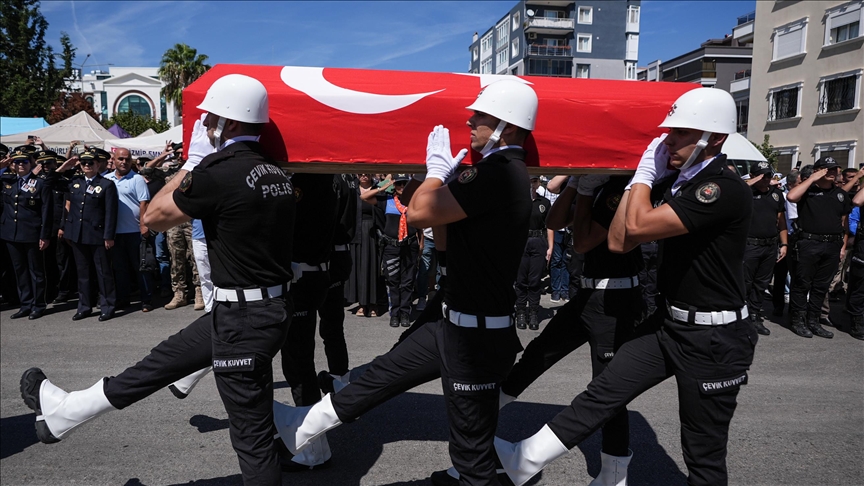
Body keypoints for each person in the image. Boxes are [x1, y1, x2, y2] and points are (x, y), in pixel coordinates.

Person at [20, 74, 296, 486]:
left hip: (243, 320)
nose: (205, 127)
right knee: (161, 363)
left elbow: (152, 218)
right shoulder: (276, 172)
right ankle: (67, 412)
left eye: (211, 120)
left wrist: (191, 165)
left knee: (252, 439)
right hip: (254, 309)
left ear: (232, 124)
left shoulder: (217, 171)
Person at [273, 79, 537, 486]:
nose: (470, 120)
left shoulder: (499, 173)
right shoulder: (492, 173)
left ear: (509, 126)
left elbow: (417, 215)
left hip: (475, 338)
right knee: (381, 376)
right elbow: (444, 233)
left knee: (472, 455)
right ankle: (304, 425)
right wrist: (441, 181)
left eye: (480, 116)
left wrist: (434, 175)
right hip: (453, 322)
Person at [493, 87, 756, 486]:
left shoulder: (720, 187)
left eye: (682, 133)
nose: (669, 140)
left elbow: (634, 228)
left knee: (703, 456)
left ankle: (538, 460)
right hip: (670, 325)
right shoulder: (680, 183)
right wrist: (637, 183)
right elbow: (619, 240)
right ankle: (525, 459)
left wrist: (644, 178)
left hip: (714, 338)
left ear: (715, 138)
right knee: (604, 392)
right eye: (671, 132)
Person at [785, 157, 850, 339]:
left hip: (832, 244)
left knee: (821, 286)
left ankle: (813, 321)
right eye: (827, 169)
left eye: (835, 169)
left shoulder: (840, 194)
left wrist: (842, 247)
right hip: (809, 243)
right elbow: (791, 196)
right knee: (802, 283)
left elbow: (843, 223)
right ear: (817, 170)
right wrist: (812, 179)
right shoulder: (808, 190)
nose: (832, 172)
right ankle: (798, 320)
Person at [55, 149, 119, 321]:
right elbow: (50, 183)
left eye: (91, 163)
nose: (87, 165)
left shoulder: (106, 184)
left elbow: (111, 213)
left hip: (98, 234)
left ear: (98, 165)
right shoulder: (74, 182)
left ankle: (107, 306)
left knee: (103, 272)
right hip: (78, 234)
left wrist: (108, 236)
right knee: (83, 273)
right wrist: (63, 169)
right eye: (84, 163)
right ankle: (84, 306)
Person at [360, 173, 421, 327]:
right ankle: (395, 314)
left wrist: (422, 244)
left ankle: (405, 313)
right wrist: (385, 186)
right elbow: (365, 197)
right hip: (392, 246)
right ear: (395, 185)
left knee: (407, 282)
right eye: (399, 184)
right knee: (393, 281)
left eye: (404, 184)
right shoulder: (386, 200)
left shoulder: (414, 201)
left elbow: (420, 224)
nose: (401, 187)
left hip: (410, 245)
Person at [0, 147, 53, 319]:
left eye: (24, 161)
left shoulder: (40, 183)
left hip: (32, 233)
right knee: (19, 270)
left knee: (36, 271)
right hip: (11, 233)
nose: (20, 165)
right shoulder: (7, 180)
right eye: (17, 162)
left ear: (30, 163)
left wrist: (45, 235)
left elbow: (46, 211)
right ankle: (25, 304)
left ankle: (38, 305)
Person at [104, 147, 154, 312]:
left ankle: (146, 300)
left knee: (141, 267)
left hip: (134, 232)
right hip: (115, 233)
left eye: (127, 159)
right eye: (120, 159)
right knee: (120, 269)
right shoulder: (106, 179)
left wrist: (143, 225)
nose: (124, 162)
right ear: (114, 160)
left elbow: (144, 203)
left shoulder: (137, 179)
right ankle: (123, 299)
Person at [742, 161, 788, 335]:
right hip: (749, 245)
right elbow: (734, 189)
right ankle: (741, 316)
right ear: (753, 177)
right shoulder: (745, 192)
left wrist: (784, 244)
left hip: (770, 245)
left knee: (761, 284)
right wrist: (751, 183)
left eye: (768, 175)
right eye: (762, 175)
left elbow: (781, 221)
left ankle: (754, 315)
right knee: (745, 283)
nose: (766, 179)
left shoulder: (776, 195)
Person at [514, 176, 552, 330]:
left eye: (534, 181)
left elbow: (549, 225)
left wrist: (550, 247)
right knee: (521, 280)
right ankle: (521, 311)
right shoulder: (516, 201)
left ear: (538, 184)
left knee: (535, 281)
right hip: (521, 241)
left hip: (538, 241)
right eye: (528, 181)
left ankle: (534, 312)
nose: (531, 184)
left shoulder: (544, 203)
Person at [345, 173, 384, 317]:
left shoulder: (378, 189)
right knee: (358, 269)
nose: (363, 176)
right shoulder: (352, 190)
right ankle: (361, 304)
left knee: (372, 268)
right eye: (360, 173)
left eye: (366, 173)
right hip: (356, 231)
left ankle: (373, 304)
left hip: (373, 232)